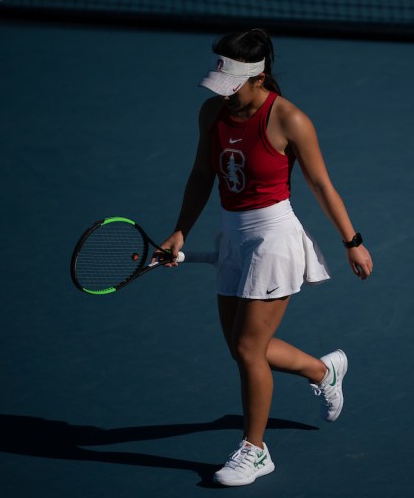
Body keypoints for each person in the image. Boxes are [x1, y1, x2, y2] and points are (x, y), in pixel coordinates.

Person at [159, 29, 373, 486]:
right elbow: (201, 175)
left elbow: (320, 184)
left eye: (232, 84)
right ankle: (323, 369)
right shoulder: (211, 112)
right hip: (232, 236)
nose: (224, 93)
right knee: (242, 349)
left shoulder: (290, 120)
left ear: (258, 78)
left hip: (274, 239)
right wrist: (180, 230)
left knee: (248, 348)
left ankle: (255, 451)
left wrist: (352, 240)